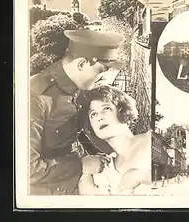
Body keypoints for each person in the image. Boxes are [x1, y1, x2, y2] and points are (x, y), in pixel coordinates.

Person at [29, 29, 124, 195]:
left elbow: (88, 131)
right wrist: (81, 165)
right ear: (81, 64)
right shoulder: (35, 95)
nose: (105, 78)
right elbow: (26, 170)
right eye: (101, 71)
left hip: (78, 179)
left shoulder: (81, 87)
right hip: (48, 193)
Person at [76, 85, 151, 195]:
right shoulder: (103, 171)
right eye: (93, 114)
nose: (99, 117)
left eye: (106, 108)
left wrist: (141, 176)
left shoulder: (149, 140)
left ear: (122, 110)